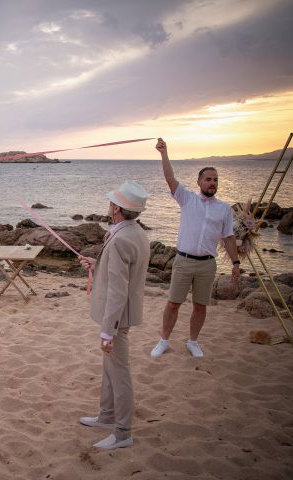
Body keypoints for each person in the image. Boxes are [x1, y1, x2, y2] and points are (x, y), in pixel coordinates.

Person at [150, 138, 240, 359]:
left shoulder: (224, 209)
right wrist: (164, 153)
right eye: (208, 179)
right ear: (199, 182)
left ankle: (192, 342)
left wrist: (236, 264)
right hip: (183, 261)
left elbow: (228, 238)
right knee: (173, 304)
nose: (212, 183)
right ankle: (163, 340)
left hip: (207, 264)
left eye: (215, 180)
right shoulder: (187, 199)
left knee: (200, 306)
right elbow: (170, 179)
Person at [78, 180, 151, 450]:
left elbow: (119, 291)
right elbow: (122, 273)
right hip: (122, 314)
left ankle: (123, 432)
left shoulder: (121, 238)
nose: (109, 205)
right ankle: (107, 416)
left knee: (119, 373)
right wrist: (97, 264)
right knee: (110, 368)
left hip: (118, 318)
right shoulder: (134, 232)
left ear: (117, 209)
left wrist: (108, 331)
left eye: (112, 202)